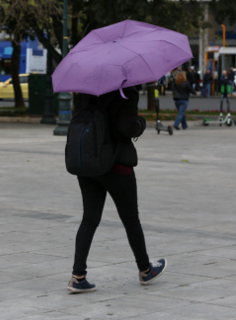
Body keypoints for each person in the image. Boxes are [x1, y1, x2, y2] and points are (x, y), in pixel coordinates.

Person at [68, 86, 167, 293]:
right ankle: (145, 270)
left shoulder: (85, 90)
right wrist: (140, 123)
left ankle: (78, 276)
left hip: (89, 162)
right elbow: (126, 126)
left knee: (89, 218)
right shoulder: (125, 91)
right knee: (131, 219)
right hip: (116, 164)